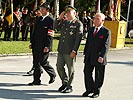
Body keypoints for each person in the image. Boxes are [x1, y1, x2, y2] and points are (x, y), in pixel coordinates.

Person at [55, 5, 83, 93]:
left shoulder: (78, 24)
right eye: (66, 12)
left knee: (70, 69)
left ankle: (69, 85)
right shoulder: (65, 22)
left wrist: (74, 51)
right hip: (62, 49)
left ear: (74, 13)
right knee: (59, 66)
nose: (67, 14)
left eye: (69, 12)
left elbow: (78, 39)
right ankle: (64, 82)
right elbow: (55, 27)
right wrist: (59, 18)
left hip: (70, 50)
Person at [82, 13, 111, 98]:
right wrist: (85, 52)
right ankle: (89, 89)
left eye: (97, 19)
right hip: (90, 55)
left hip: (99, 57)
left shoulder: (106, 31)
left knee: (98, 75)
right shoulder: (91, 30)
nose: (95, 20)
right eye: (94, 18)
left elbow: (106, 45)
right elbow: (88, 43)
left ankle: (96, 91)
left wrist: (102, 56)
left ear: (102, 21)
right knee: (87, 72)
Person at [28, 2, 56, 85]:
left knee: (43, 61)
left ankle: (52, 74)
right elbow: (34, 32)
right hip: (36, 44)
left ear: (47, 10)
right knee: (36, 62)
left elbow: (50, 34)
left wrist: (48, 46)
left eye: (43, 9)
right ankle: (36, 80)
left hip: (44, 45)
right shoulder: (38, 19)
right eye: (41, 9)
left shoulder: (50, 20)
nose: (41, 10)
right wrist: (31, 42)